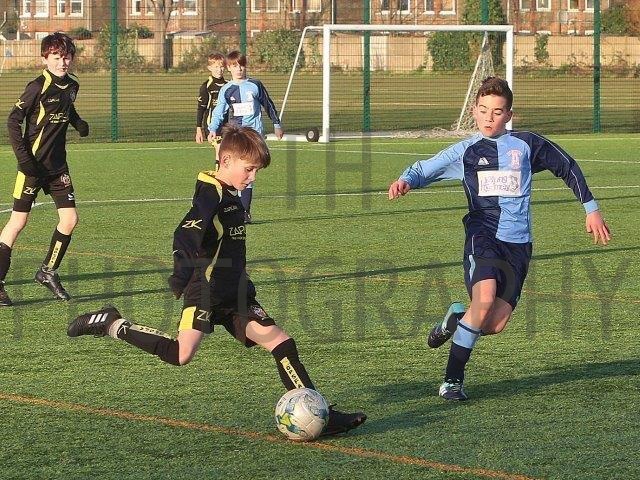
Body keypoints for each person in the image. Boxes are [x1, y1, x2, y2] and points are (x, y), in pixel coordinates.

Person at [67, 125, 366, 436]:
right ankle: (112, 323)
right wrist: (181, 273)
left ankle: (321, 414)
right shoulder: (213, 195)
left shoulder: (229, 190)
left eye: (256, 171)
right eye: (249, 169)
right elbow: (185, 234)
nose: (252, 177)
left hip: (235, 292)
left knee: (282, 343)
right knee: (181, 354)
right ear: (227, 161)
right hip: (206, 290)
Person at [388, 77, 611, 401]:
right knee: (484, 299)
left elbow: (567, 166)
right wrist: (406, 180)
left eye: (496, 112)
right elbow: (426, 168)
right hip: (483, 235)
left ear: (509, 115)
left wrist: (591, 209)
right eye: (483, 110)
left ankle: (456, 319)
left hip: (518, 245)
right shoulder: (466, 151)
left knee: (493, 324)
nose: (488, 118)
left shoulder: (527, 145)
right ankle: (452, 381)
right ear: (474, 111)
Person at [0, 32, 89, 306]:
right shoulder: (36, 86)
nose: (62, 62)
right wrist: (24, 160)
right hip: (33, 167)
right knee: (18, 222)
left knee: (70, 220)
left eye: (66, 57)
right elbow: (13, 121)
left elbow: (67, 108)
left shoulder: (72, 86)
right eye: (56, 57)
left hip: (57, 167)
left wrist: (78, 122)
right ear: (45, 58)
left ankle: (47, 271)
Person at [207, 50, 284, 223]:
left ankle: (245, 212)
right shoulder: (227, 89)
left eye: (241, 65)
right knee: (233, 172)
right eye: (235, 66)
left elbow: (268, 105)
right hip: (235, 137)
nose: (239, 69)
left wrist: (277, 124)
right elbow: (219, 111)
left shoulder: (255, 85)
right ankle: (229, 209)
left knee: (248, 171)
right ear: (229, 68)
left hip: (254, 135)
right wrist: (212, 128)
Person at [195, 53, 227, 145]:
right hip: (212, 125)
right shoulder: (207, 86)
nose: (219, 70)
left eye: (221, 67)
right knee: (220, 149)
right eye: (216, 67)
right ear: (210, 68)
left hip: (227, 124)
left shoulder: (228, 85)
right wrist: (199, 129)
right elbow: (201, 108)